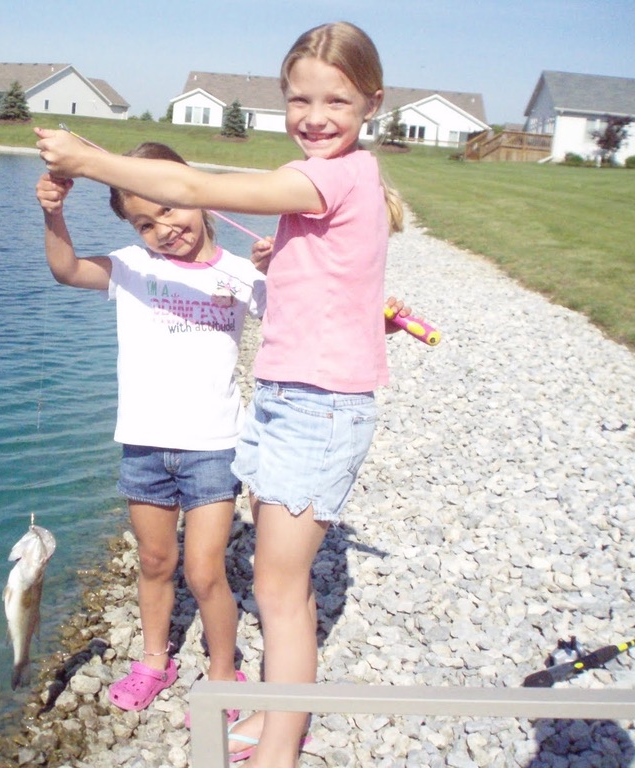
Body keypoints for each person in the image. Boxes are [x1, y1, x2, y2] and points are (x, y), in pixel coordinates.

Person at [36, 21, 406, 767]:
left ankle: (277, 748)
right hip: (282, 398)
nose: (314, 114)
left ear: (372, 102)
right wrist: (292, 259)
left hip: (316, 404)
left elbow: (197, 185)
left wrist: (88, 156)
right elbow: (321, 282)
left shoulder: (335, 174)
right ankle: (272, 722)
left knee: (278, 590)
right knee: (280, 585)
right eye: (299, 97)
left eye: (335, 99)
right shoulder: (330, 177)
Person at [35, 142, 268, 719]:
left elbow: (301, 322)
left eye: (169, 208)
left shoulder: (242, 275)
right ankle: (154, 662)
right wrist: (53, 213)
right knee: (155, 563)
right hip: (143, 446)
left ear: (194, 192)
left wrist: (285, 268)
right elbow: (65, 269)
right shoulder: (133, 268)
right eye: (145, 221)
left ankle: (222, 673)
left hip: (213, 447)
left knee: (205, 569)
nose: (164, 228)